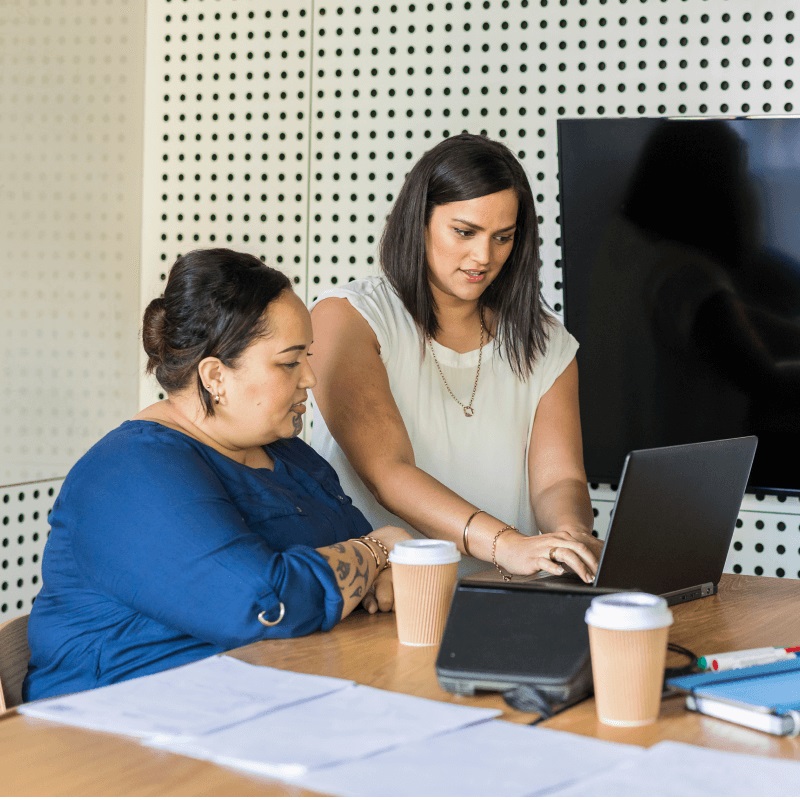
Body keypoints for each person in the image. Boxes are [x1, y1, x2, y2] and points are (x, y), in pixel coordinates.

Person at [24, 248, 410, 702]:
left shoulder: (287, 455)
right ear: (215, 377)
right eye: (289, 362)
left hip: (259, 707)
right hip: (115, 738)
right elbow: (264, 605)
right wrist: (378, 547)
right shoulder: (128, 475)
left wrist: (372, 567)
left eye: (307, 356)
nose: (309, 377)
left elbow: (370, 574)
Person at [310, 133, 602, 581]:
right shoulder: (348, 318)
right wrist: (507, 545)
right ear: (418, 221)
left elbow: (559, 479)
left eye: (503, 237)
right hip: (382, 597)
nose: (483, 256)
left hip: (503, 599)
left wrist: (569, 537)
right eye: (464, 232)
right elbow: (388, 473)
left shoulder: (546, 340)